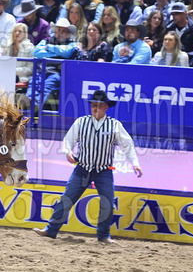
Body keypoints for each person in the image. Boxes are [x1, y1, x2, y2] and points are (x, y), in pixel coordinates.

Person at [33, 90, 142, 243]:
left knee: (107, 203)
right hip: (82, 168)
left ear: (105, 107)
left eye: (98, 106)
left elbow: (127, 145)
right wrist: (68, 152)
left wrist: (135, 163)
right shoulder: (81, 122)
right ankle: (51, 230)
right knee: (67, 198)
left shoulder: (114, 125)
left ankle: (103, 236)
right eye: (93, 106)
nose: (95, 108)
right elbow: (68, 141)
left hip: (103, 170)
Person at [23, 18, 78, 109]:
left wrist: (48, 47)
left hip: (56, 72)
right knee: (34, 83)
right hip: (41, 71)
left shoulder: (72, 44)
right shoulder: (45, 40)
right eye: (58, 30)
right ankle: (28, 101)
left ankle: (35, 104)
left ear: (68, 33)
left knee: (48, 85)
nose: (60, 32)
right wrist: (57, 53)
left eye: (63, 31)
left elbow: (66, 52)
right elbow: (37, 52)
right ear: (55, 31)